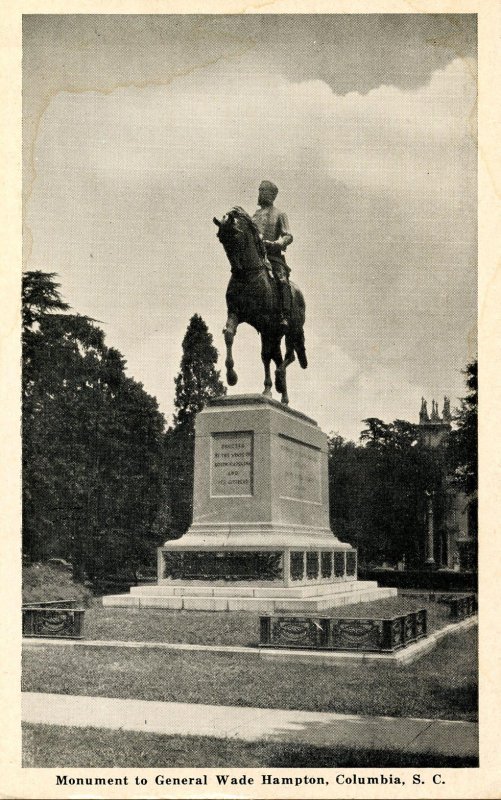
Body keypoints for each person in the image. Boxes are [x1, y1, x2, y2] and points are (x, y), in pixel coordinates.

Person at [253, 180, 293, 330]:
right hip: (257, 257)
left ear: (271, 194)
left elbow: (288, 236)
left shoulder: (280, 214)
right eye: (259, 190)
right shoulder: (255, 215)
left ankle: (285, 314)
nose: (260, 194)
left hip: (274, 258)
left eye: (263, 190)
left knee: (282, 280)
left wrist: (276, 243)